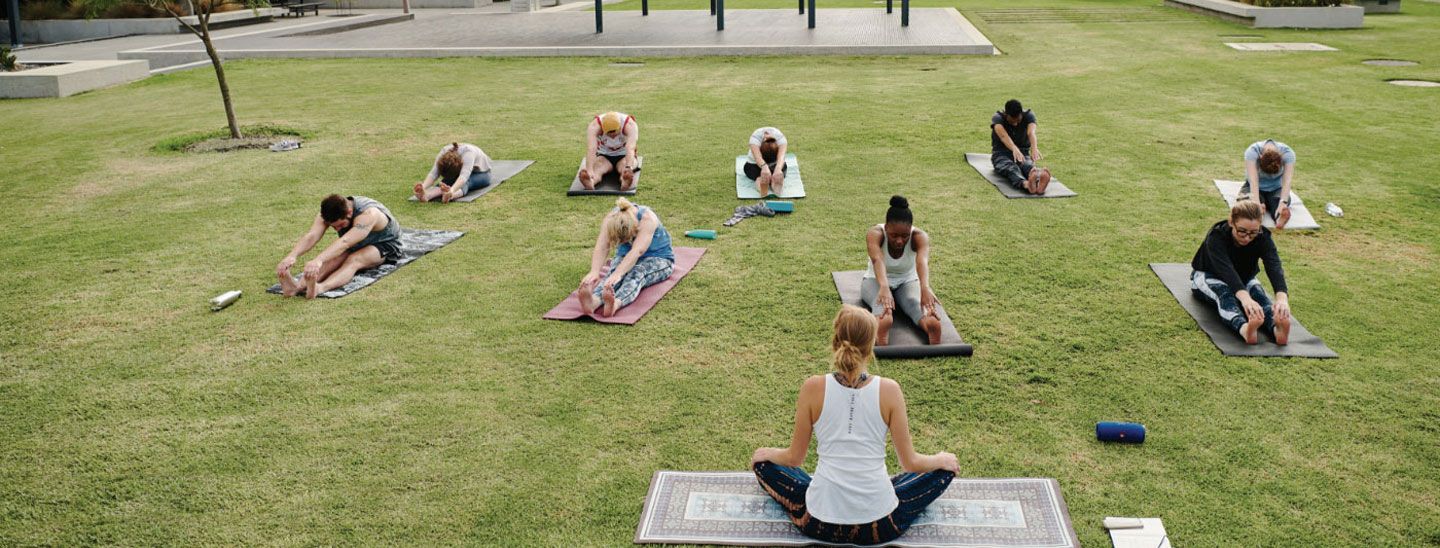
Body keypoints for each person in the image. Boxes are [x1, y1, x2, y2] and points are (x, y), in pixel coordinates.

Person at [751, 305, 960, 546]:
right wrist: (941, 459)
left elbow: (794, 458)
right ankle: (881, 487)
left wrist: (767, 454)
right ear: (871, 347)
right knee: (941, 471)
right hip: (879, 525)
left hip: (818, 522)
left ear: (835, 341)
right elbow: (910, 462)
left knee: (765, 464)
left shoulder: (812, 387)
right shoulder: (890, 390)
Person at [1191, 200, 1292, 345]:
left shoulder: (1263, 236)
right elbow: (1227, 272)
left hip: (1245, 277)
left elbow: (1274, 265)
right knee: (1224, 295)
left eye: (1253, 233)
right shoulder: (1216, 236)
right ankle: (1245, 328)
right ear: (1231, 222)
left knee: (1259, 296)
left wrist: (1282, 299)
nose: (1247, 238)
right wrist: (1245, 299)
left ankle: (1277, 329)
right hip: (1210, 276)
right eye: (1242, 231)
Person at [275, 195, 403, 300]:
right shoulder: (326, 213)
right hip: (354, 242)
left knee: (354, 259)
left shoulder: (368, 214)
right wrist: (292, 255)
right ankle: (297, 287)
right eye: (333, 226)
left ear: (349, 213)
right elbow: (312, 236)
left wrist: (318, 260)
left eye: (340, 225)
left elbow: (345, 242)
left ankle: (320, 288)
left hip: (385, 244)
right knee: (333, 259)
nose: (337, 229)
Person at [863, 196, 943, 346]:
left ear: (911, 229)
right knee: (883, 310)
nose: (900, 241)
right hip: (876, 279)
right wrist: (884, 287)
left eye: (905, 236)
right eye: (894, 236)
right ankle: (881, 327)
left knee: (915, 304)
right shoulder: (875, 233)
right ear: (886, 227)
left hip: (907, 280)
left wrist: (925, 288)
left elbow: (922, 262)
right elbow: (877, 260)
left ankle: (929, 324)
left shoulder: (919, 236)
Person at [576, 198, 674, 317]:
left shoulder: (647, 219)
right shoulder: (612, 219)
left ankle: (615, 304)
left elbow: (637, 251)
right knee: (610, 277)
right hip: (625, 255)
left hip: (658, 258)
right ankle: (594, 301)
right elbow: (602, 246)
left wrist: (619, 273)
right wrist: (594, 271)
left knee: (637, 273)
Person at [990, 99, 1051, 195]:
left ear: (1021, 114)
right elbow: (1003, 136)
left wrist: (1034, 148)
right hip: (1001, 154)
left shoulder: (1029, 115)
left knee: (1028, 165)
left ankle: (1037, 180)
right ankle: (1027, 184)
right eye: (1012, 121)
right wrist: (1014, 148)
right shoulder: (997, 119)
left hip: (1022, 153)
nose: (1016, 124)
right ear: (1006, 115)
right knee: (1011, 168)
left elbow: (1031, 133)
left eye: (1018, 120)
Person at [1240, 139, 1297, 229]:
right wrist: (1256, 203)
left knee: (1278, 203)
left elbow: (1287, 180)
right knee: (1245, 201)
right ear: (1260, 156)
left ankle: (1278, 217)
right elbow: (1253, 180)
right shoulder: (1252, 152)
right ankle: (1259, 213)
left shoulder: (1288, 154)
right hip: (1255, 187)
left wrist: (1283, 202)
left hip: (1276, 188)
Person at [413, 142, 494, 203]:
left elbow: (463, 177)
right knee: (445, 183)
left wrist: (451, 191)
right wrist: (423, 187)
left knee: (467, 182)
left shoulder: (468, 154)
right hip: (459, 172)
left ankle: (450, 196)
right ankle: (427, 196)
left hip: (482, 173)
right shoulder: (444, 151)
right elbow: (433, 174)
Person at [580, 111, 639, 191]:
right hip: (604, 155)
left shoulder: (629, 124)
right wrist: (589, 170)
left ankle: (624, 180)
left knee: (624, 167)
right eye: (608, 132)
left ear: (620, 127)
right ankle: (591, 181)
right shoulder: (594, 126)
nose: (612, 135)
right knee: (598, 167)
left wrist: (628, 167)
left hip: (624, 155)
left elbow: (630, 147)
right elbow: (591, 148)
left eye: (614, 131)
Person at [743, 127, 788, 196]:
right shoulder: (755, 139)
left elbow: (781, 157)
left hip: (774, 163)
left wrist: (778, 169)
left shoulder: (781, 139)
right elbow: (757, 157)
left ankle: (776, 182)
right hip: (755, 164)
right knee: (760, 177)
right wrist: (764, 168)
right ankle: (761, 181)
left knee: (778, 176)